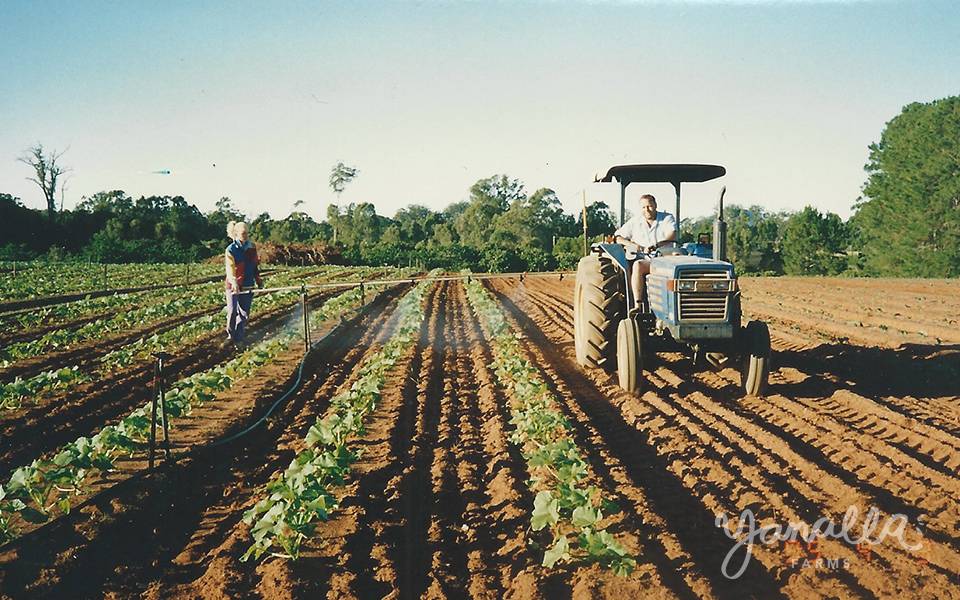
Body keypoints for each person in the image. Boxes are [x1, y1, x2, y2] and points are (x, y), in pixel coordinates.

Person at [613, 194, 676, 310]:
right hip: (646, 261)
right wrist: (634, 245)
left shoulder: (666, 218)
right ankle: (638, 304)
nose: (647, 210)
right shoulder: (635, 221)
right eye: (643, 207)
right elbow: (618, 237)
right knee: (638, 265)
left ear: (655, 205)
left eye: (649, 206)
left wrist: (656, 245)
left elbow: (672, 234)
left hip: (664, 259)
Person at [224, 221, 263, 348]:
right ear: (236, 233)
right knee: (232, 311)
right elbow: (230, 269)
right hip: (233, 285)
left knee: (244, 313)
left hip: (248, 283)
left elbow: (254, 265)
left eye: (247, 233)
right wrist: (234, 282)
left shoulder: (251, 247)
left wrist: (258, 280)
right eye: (243, 233)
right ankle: (230, 335)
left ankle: (239, 337)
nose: (245, 236)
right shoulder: (231, 250)